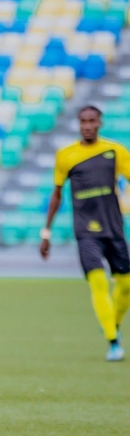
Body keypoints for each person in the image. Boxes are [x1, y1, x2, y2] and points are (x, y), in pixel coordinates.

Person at [41, 105, 130, 361]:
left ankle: (111, 324)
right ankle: (113, 341)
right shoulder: (66, 156)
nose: (87, 126)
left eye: (92, 121)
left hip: (113, 228)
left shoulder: (115, 151)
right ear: (79, 124)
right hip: (85, 231)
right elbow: (56, 194)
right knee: (98, 281)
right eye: (83, 121)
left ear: (99, 123)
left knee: (126, 285)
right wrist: (46, 232)